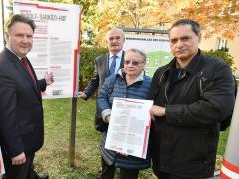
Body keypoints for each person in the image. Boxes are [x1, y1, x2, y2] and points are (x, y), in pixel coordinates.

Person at [149, 19, 235, 178]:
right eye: (173, 40)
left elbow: (216, 109)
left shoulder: (217, 70)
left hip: (193, 163)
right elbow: (150, 108)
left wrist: (166, 112)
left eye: (185, 38)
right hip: (162, 159)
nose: (179, 44)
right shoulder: (161, 73)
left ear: (199, 37)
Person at [0, 14, 53, 179]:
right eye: (19, 35)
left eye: (29, 36)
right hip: (19, 146)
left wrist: (43, 83)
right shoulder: (1, 68)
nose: (25, 40)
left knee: (26, 171)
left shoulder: (20, 58)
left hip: (28, 140)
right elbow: (5, 115)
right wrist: (16, 150)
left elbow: (24, 86)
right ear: (7, 35)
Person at [97, 48, 152, 179]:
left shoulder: (151, 84)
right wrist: (108, 114)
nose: (130, 65)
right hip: (112, 135)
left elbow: (155, 106)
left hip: (133, 140)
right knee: (106, 171)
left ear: (143, 64)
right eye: (127, 62)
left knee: (128, 175)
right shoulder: (113, 79)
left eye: (135, 62)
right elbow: (102, 96)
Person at [78, 28, 125, 132]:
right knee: (103, 133)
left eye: (118, 38)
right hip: (103, 105)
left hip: (122, 105)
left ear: (123, 40)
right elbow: (95, 79)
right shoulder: (100, 60)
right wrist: (86, 93)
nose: (114, 41)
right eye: (111, 38)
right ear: (107, 42)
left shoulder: (129, 59)